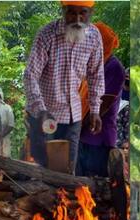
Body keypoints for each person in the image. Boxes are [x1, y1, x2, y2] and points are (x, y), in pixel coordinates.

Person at [23, 0, 104, 174]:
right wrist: (40, 110)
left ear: (91, 12)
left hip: (73, 116)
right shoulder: (47, 34)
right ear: (63, 11)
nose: (77, 18)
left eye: (82, 12)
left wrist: (95, 109)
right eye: (71, 13)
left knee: (67, 171)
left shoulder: (94, 36)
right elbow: (30, 75)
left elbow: (96, 75)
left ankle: (67, 200)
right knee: (42, 171)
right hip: (45, 115)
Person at [77, 22, 125, 177]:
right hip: (81, 139)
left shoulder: (113, 67)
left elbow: (100, 107)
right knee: (75, 190)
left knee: (95, 191)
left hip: (98, 142)